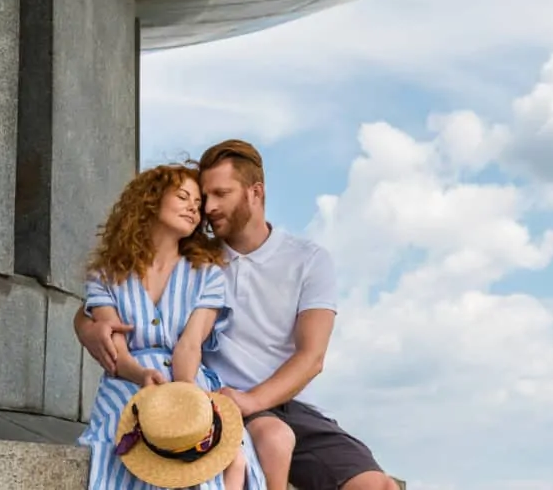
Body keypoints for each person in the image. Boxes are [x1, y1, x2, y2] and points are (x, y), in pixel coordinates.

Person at [76, 141, 400, 490]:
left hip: (285, 403)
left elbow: (312, 357)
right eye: (203, 196)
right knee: (272, 439)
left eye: (219, 194)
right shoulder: (199, 257)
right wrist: (85, 327)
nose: (208, 208)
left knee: (376, 485)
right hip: (221, 397)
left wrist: (253, 400)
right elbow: (111, 298)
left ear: (254, 192)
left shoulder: (308, 260)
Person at [75, 161, 268, 490]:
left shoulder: (207, 274)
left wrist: (183, 400)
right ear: (150, 200)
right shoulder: (106, 276)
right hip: (126, 381)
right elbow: (113, 349)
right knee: (126, 450)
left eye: (197, 204)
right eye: (182, 197)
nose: (193, 209)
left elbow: (190, 344)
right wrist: (142, 377)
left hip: (188, 379)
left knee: (205, 455)